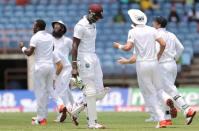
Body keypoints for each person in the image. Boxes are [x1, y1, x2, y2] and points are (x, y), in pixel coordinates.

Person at [113, 9, 176, 128]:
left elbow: (128, 48)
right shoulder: (152, 30)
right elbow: (163, 44)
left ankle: (161, 119)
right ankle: (168, 99)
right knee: (160, 90)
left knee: (150, 93)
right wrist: (158, 55)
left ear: (133, 20)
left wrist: (118, 46)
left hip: (142, 64)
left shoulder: (132, 31)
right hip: (154, 62)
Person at [19, 19, 65, 125]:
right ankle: (61, 105)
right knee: (49, 89)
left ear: (38, 27)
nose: (33, 28)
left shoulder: (35, 37)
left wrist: (22, 47)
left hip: (40, 67)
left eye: (34, 26)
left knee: (40, 93)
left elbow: (29, 53)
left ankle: (41, 119)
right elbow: (52, 48)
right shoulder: (49, 36)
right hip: (50, 66)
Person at [71, 3, 109, 129]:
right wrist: (74, 66)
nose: (98, 19)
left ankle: (77, 109)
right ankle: (92, 123)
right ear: (91, 13)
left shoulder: (93, 24)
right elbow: (74, 46)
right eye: (97, 16)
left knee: (101, 92)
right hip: (84, 57)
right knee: (91, 92)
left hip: (93, 57)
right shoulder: (80, 26)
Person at [51, 20, 78, 125]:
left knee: (60, 91)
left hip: (66, 68)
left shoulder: (67, 41)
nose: (55, 28)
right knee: (65, 91)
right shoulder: (50, 39)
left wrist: (75, 67)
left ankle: (67, 111)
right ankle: (74, 110)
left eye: (57, 26)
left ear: (62, 29)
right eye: (54, 26)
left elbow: (74, 52)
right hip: (56, 69)